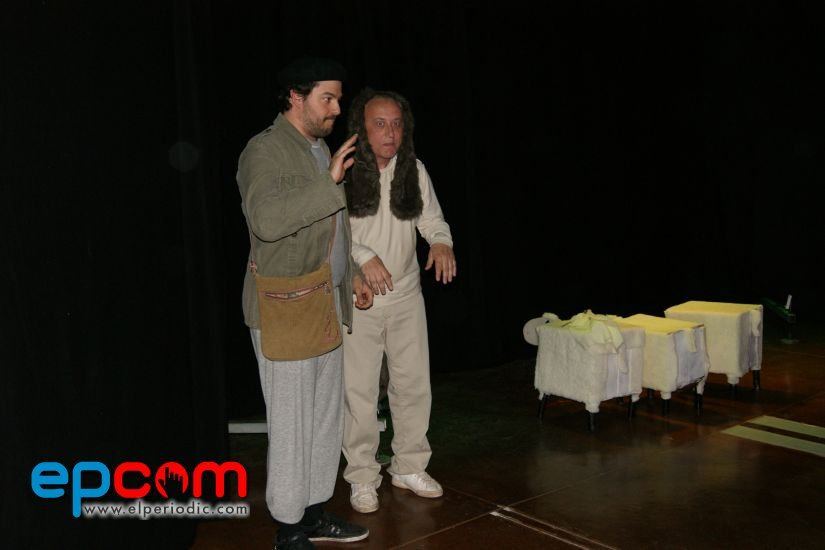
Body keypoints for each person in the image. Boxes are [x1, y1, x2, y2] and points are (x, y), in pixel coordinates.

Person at [236, 56, 373, 550]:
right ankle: (289, 527)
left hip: (325, 301)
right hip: (285, 306)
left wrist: (352, 272)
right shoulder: (265, 151)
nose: (336, 108)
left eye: (337, 98)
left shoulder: (319, 148)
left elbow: (329, 230)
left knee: (323, 418)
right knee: (292, 423)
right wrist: (328, 182)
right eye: (327, 98)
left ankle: (313, 514)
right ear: (295, 96)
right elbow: (268, 222)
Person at [341, 88, 456, 513]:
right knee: (359, 392)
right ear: (362, 128)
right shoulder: (344, 170)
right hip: (361, 298)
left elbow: (432, 219)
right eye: (379, 124)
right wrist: (363, 256)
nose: (390, 133)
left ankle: (408, 465)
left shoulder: (413, 169)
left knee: (412, 385)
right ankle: (362, 476)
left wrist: (441, 243)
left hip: (407, 295)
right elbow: (331, 234)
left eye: (396, 124)